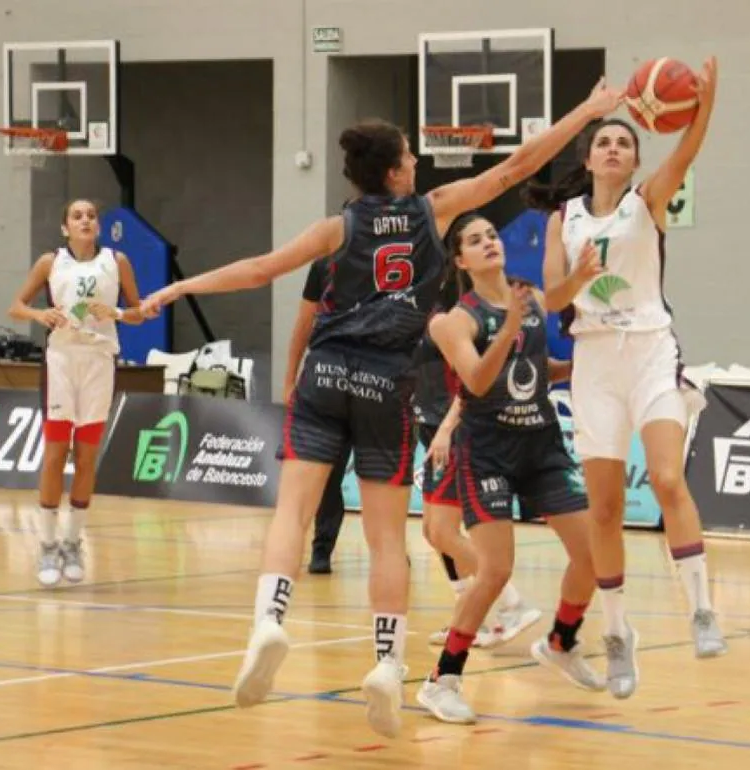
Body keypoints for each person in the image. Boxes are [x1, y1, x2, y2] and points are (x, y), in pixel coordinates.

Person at [138, 79, 623, 738]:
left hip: (325, 373)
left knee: (294, 511)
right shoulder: (433, 212)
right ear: (395, 170)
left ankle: (269, 622)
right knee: (387, 537)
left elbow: (259, 270)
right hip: (385, 384)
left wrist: (179, 286)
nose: (418, 164)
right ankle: (388, 664)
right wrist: (589, 112)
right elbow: (518, 166)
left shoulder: (336, 227)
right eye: (410, 157)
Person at [528, 58, 727, 695]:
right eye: (604, 142)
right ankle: (617, 635)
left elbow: (688, 152)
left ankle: (701, 608)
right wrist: (578, 280)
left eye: (624, 143)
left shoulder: (648, 201)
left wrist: (704, 108)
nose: (613, 148)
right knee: (606, 510)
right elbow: (551, 298)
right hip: (594, 363)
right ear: (588, 159)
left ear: (636, 161)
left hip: (648, 351)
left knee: (667, 478)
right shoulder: (565, 219)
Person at [418, 213, 603, 725]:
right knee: (494, 570)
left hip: (541, 445)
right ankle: (442, 680)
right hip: (488, 451)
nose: (489, 243)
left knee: (593, 555)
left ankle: (562, 640)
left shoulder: (529, 295)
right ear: (461, 260)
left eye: (492, 236)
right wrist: (512, 328)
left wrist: (588, 364)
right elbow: (476, 380)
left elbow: (536, 368)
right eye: (475, 241)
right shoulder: (458, 319)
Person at [7, 199, 148, 588]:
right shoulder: (50, 263)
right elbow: (16, 306)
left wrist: (116, 314)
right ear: (65, 228)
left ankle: (72, 542)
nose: (85, 220)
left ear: (98, 226)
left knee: (87, 458)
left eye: (91, 215)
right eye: (77, 216)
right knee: (54, 455)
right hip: (62, 363)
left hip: (99, 363)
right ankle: (48, 543)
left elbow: (140, 311)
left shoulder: (116, 261)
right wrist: (40, 315)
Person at [413, 273, 542, 650]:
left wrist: (448, 426)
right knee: (433, 533)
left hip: (451, 431)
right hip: (431, 427)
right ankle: (471, 617)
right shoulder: (406, 321)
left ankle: (511, 603)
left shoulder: (444, 320)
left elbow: (472, 381)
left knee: (442, 532)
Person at [284, 256, 350, 574]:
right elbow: (303, 323)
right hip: (329, 380)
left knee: (380, 477)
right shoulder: (324, 264)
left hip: (379, 381)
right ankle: (321, 549)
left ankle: (389, 549)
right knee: (329, 474)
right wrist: (289, 379)